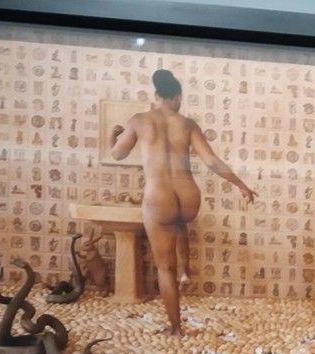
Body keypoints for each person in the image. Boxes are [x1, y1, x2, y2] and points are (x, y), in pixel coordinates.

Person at [110, 69, 257, 335]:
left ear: (156, 95)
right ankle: (186, 270)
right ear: (177, 96)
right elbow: (212, 161)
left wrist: (114, 136)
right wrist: (241, 185)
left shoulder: (139, 120)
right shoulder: (188, 124)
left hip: (159, 197)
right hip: (189, 197)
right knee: (179, 224)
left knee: (165, 268)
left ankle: (176, 327)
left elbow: (118, 154)